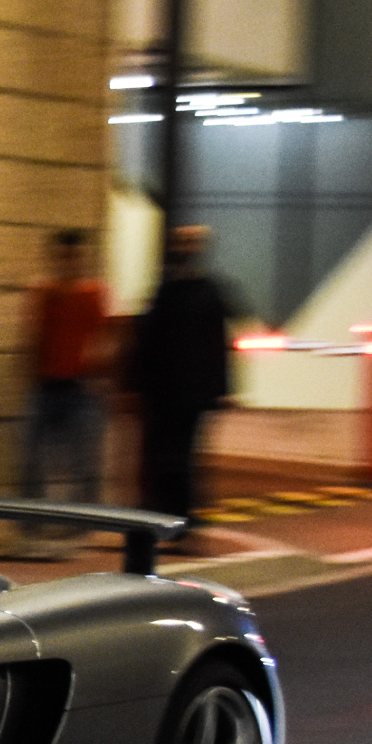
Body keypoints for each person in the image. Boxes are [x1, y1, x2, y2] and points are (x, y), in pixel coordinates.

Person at [128, 224, 236, 522]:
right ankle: (172, 511)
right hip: (168, 391)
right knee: (170, 453)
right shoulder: (175, 290)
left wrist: (223, 389)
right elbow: (150, 342)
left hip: (186, 392)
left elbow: (217, 343)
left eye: (191, 243)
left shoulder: (193, 291)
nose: (187, 249)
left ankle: (178, 514)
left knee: (179, 454)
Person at [19, 229, 110, 520]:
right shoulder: (45, 293)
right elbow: (34, 338)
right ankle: (32, 527)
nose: (68, 262)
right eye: (63, 256)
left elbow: (105, 336)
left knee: (84, 462)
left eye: (74, 256)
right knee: (33, 460)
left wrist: (100, 376)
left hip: (81, 388)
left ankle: (79, 525)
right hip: (47, 386)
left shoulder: (93, 293)